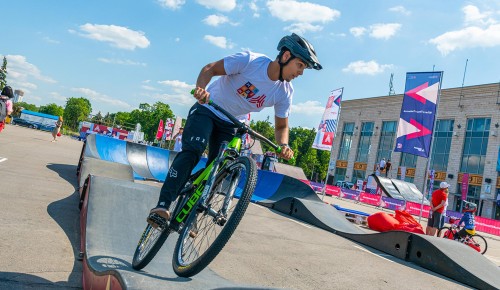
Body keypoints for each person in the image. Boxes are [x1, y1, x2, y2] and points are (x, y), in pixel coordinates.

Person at [147, 33, 322, 226]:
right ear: (286, 56)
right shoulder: (250, 61)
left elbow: (281, 126)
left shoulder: (285, 92)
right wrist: (200, 89)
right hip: (208, 108)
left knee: (220, 168)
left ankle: (193, 213)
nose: (300, 73)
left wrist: (284, 144)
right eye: (300, 65)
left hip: (232, 123)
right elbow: (210, 69)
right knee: (194, 150)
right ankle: (162, 206)